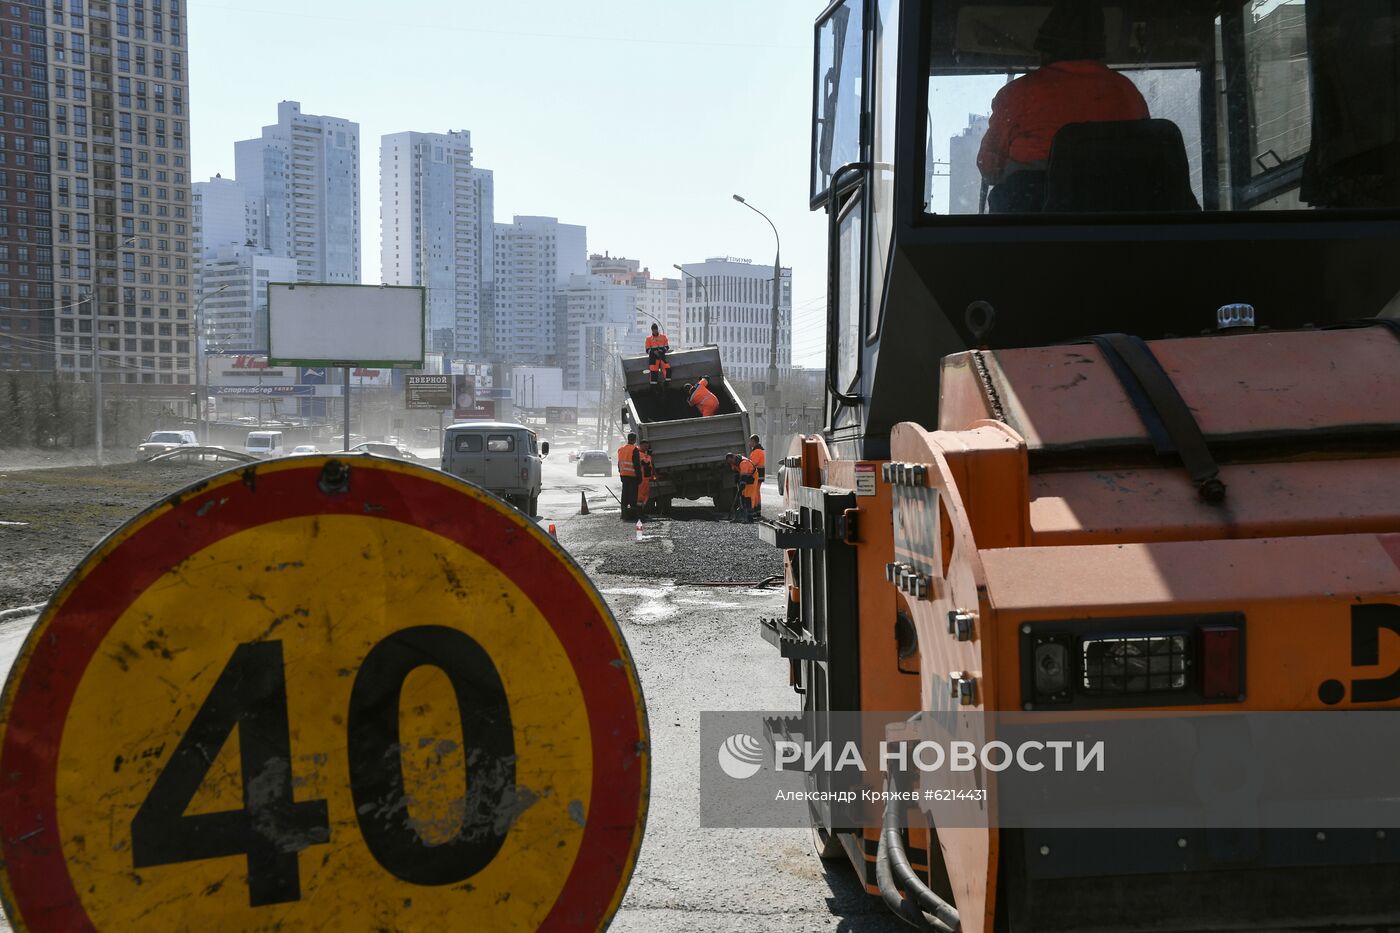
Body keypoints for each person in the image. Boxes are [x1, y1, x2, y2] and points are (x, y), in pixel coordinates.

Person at [977, 0, 1149, 213]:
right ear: (1098, 50)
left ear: (1045, 51)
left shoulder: (1017, 94)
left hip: (1030, 223)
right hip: (1119, 217)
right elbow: (1147, 157)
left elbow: (990, 166)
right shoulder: (1126, 91)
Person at [726, 452, 760, 523]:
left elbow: (744, 477)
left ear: (734, 457)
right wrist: (737, 480)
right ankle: (742, 516)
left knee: (748, 497)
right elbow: (736, 472)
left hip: (751, 478)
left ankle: (750, 518)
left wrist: (741, 485)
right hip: (745, 477)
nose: (730, 463)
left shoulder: (744, 463)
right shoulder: (734, 462)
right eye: (729, 462)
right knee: (742, 497)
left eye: (731, 461)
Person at [617, 432, 643, 521]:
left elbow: (619, 463)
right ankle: (633, 514)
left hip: (624, 475)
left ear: (628, 439)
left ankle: (623, 514)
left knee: (624, 495)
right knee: (633, 495)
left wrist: (620, 472)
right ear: (635, 439)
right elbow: (637, 465)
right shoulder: (634, 449)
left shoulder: (621, 449)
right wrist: (639, 477)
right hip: (632, 476)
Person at [637, 441, 655, 515]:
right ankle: (639, 512)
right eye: (644, 446)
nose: (646, 448)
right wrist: (649, 456)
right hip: (642, 478)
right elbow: (645, 462)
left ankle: (642, 511)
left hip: (646, 478)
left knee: (645, 495)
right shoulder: (639, 454)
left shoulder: (644, 454)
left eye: (647, 446)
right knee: (640, 496)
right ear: (640, 446)